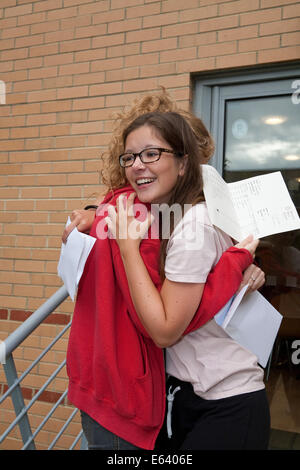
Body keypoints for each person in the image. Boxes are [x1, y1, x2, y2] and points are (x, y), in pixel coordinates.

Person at [64, 91, 265, 450]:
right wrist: (235, 266)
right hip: (139, 390)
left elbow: (168, 320)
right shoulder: (142, 216)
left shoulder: (179, 219)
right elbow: (165, 324)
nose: (141, 164)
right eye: (132, 156)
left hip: (203, 392)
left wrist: (242, 266)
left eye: (154, 153)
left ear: (186, 161)